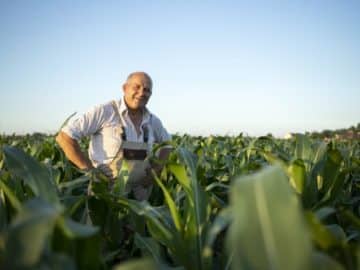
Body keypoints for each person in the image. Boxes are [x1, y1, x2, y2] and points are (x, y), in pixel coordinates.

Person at [56, 71, 171, 200]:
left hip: (140, 197)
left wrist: (157, 169)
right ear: (124, 88)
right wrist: (89, 171)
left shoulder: (152, 121)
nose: (141, 93)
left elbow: (168, 145)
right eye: (136, 87)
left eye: (147, 90)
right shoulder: (105, 111)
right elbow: (64, 137)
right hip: (106, 193)